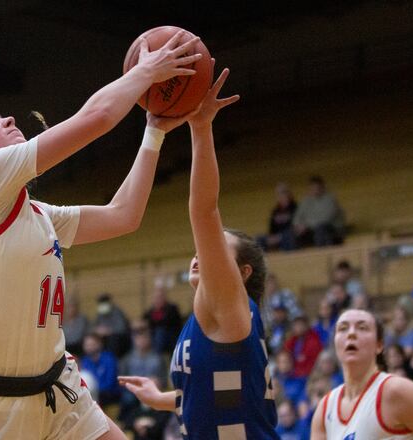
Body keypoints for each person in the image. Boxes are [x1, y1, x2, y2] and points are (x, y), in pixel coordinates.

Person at [0, 31, 203, 439]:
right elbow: (96, 117)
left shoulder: (37, 213)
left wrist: (154, 131)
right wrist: (145, 72)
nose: (8, 119)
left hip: (59, 386)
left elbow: (123, 216)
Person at [119, 66, 278, 438]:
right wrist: (160, 399)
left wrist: (201, 127)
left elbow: (204, 211)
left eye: (216, 248)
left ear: (242, 272)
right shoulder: (216, 316)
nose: (201, 253)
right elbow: (216, 391)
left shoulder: (230, 305)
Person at [310, 309, 413, 439]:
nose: (351, 333)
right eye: (343, 328)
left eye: (362, 328)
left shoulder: (396, 391)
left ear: (379, 345)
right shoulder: (325, 407)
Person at [292, 175, 345, 248]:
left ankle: (323, 251)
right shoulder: (305, 201)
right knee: (292, 233)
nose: (315, 190)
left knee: (321, 229)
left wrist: (306, 225)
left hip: (332, 229)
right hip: (311, 230)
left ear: (322, 187)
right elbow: (297, 218)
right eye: (312, 188)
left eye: (317, 188)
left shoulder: (330, 199)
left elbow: (325, 219)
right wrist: (299, 226)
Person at [142, 281, 182, 354]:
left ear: (165, 298)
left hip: (170, 337)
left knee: (160, 332)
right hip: (153, 337)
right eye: (156, 298)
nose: (158, 300)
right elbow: (144, 323)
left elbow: (172, 323)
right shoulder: (149, 312)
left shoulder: (172, 309)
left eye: (160, 297)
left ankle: (157, 355)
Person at [257, 182, 298, 251]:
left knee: (287, 235)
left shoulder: (295, 207)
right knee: (258, 239)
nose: (280, 196)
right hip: (276, 236)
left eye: (283, 192)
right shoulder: (275, 211)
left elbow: (295, 226)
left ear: (289, 194)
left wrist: (280, 236)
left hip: (289, 235)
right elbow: (272, 228)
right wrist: (272, 237)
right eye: (278, 194)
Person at [93, 293, 132, 357]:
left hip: (121, 338)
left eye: (104, 302)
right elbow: (94, 326)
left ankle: (113, 359)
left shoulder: (117, 311)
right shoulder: (100, 314)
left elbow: (121, 328)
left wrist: (108, 331)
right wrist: (98, 330)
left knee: (113, 339)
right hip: (106, 338)